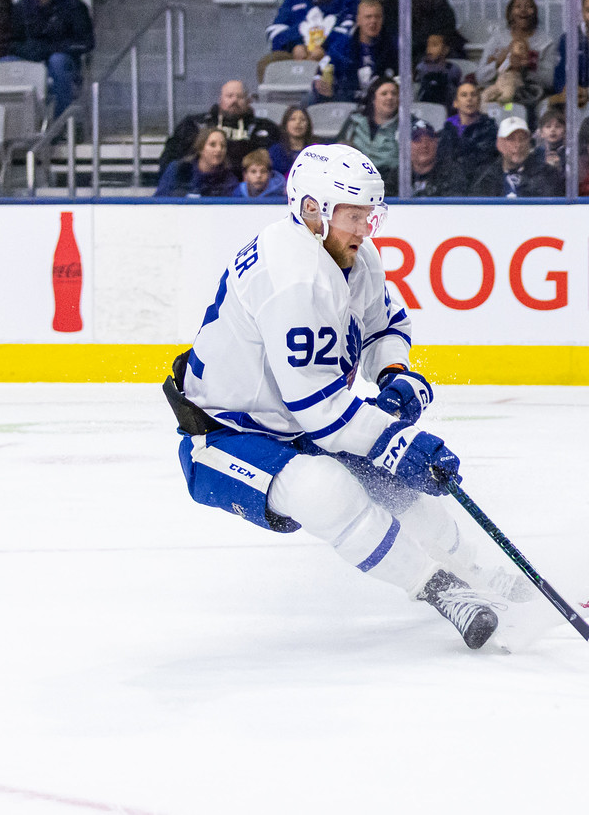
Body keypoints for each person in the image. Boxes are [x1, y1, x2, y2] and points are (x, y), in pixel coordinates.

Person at [162, 143, 508, 650]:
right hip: (224, 434)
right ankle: (440, 590)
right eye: (353, 215)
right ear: (311, 211)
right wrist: (401, 445)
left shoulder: (351, 253)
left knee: (397, 488)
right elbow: (323, 412)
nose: (366, 228)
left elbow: (383, 321)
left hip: (297, 421)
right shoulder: (294, 277)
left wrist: (393, 372)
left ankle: (479, 571)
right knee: (324, 488)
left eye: (371, 214)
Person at [5, 0, 94, 113]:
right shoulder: (21, 8)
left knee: (57, 61)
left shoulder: (74, 7)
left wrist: (51, 50)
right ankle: (15, 122)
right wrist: (29, 51)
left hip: (65, 61)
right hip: (31, 59)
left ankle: (61, 123)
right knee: (5, 63)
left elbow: (86, 42)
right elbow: (11, 42)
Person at [265, 0, 360, 83]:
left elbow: (350, 30)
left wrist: (324, 47)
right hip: (296, 57)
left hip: (333, 57)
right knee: (268, 62)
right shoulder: (293, 0)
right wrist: (295, 46)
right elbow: (274, 31)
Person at [163, 80, 281, 169]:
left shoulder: (266, 127)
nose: (234, 101)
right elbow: (170, 158)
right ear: (220, 99)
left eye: (240, 97)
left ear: (248, 101)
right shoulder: (195, 123)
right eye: (229, 96)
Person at [316, 0, 400, 104]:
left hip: (383, 105)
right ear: (358, 20)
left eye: (377, 17)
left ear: (382, 19)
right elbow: (322, 70)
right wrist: (323, 85)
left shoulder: (393, 47)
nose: (373, 21)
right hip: (347, 102)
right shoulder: (341, 47)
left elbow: (402, 79)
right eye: (368, 17)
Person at [468, 111, 564, 197]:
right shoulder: (485, 177)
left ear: (529, 143)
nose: (518, 145)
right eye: (511, 139)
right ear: (499, 144)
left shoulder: (547, 174)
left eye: (522, 139)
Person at [341, 75, 405, 193]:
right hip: (355, 183)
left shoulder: (406, 125)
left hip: (391, 186)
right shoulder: (354, 122)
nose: (390, 97)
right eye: (384, 93)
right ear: (373, 99)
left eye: (394, 93)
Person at [155, 126, 241, 197]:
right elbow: (159, 201)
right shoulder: (177, 169)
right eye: (212, 145)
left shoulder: (229, 180)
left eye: (223, 146)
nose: (219, 150)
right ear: (200, 148)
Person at [269, 104, 317, 177]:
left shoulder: (316, 150)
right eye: (292, 119)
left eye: (303, 120)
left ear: (308, 125)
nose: (298, 123)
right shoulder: (275, 151)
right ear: (285, 124)